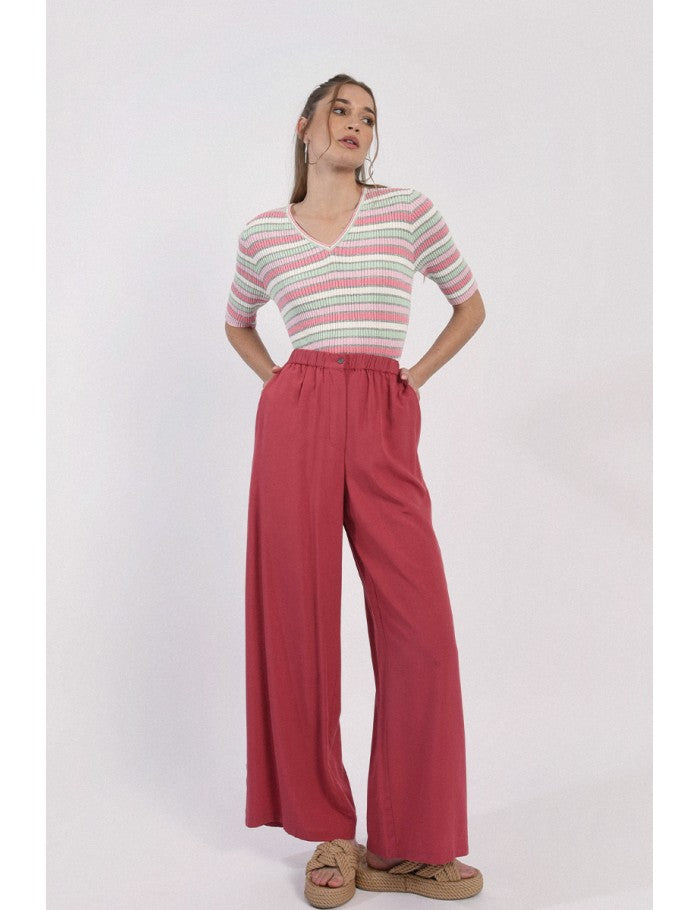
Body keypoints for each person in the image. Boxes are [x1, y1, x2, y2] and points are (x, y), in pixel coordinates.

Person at [224, 74, 486, 907]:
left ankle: (412, 844)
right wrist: (279, 382)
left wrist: (414, 377)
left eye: (368, 117)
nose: (356, 125)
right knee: (298, 624)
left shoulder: (407, 212)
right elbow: (236, 320)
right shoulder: (263, 234)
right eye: (341, 111)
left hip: (382, 409)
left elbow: (470, 305)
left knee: (422, 630)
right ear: (305, 126)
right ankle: (329, 834)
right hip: (297, 415)